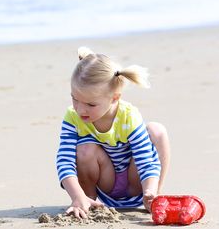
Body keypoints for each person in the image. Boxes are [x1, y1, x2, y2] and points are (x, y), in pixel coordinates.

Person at [56, 47, 170, 219]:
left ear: (115, 98)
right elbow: (64, 161)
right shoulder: (73, 116)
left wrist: (150, 189)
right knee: (84, 149)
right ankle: (87, 201)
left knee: (156, 130)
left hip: (136, 182)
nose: (80, 109)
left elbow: (146, 160)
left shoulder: (129, 116)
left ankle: (154, 198)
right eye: (75, 99)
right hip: (106, 185)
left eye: (91, 104)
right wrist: (76, 196)